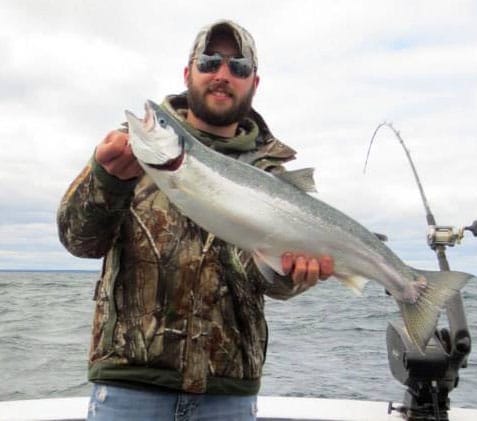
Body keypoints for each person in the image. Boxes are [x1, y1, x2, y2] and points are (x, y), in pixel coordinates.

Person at [58, 20, 334, 421]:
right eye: (210, 62)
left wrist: (291, 276)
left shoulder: (272, 175)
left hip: (228, 396)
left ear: (254, 82)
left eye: (238, 68)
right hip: (130, 388)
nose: (222, 75)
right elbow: (79, 241)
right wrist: (105, 182)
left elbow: (262, 279)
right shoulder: (132, 150)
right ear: (189, 73)